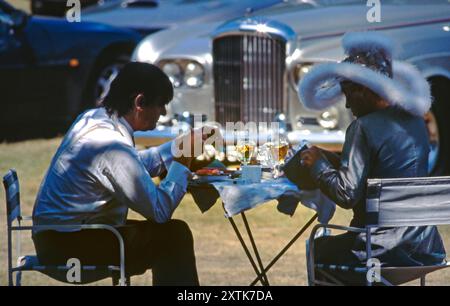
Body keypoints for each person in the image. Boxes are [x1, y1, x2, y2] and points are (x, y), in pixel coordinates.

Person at [32, 62, 212, 285]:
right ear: (139, 102)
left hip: (57, 237)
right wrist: (183, 160)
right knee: (173, 236)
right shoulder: (110, 144)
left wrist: (179, 146)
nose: (164, 112)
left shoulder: (96, 118)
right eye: (161, 105)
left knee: (172, 234)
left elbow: (132, 168)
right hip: (68, 247)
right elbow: (159, 211)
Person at [298, 32, 446, 285]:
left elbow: (346, 195)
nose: (346, 106)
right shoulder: (416, 122)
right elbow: (390, 165)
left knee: (319, 247)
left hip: (377, 251)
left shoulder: (362, 127)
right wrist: (335, 158)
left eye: (348, 93)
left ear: (366, 89)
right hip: (425, 249)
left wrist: (317, 165)